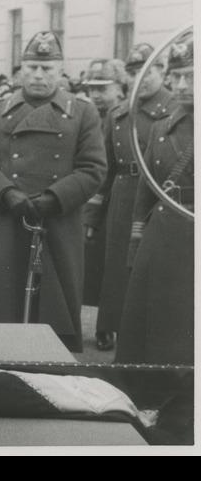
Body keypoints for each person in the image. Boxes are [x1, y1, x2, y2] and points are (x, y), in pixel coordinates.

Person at [0, 31, 107, 352]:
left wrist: (55, 198)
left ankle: (54, 363)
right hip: (7, 219)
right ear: (20, 70)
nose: (39, 75)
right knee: (6, 298)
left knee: (56, 301)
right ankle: (1, 361)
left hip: (57, 219)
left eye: (47, 68)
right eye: (31, 67)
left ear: (61, 71)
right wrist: (7, 194)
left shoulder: (83, 112)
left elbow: (93, 168)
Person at [89, 44, 178, 351]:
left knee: (152, 261)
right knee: (116, 264)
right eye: (132, 71)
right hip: (124, 193)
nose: (139, 77)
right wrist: (94, 214)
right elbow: (105, 168)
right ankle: (108, 325)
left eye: (147, 70)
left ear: (162, 72)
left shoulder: (177, 108)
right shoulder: (118, 113)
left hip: (161, 193)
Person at [117, 31, 193, 366]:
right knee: (156, 326)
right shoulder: (162, 127)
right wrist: (137, 243)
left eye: (190, 77)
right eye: (176, 76)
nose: (180, 85)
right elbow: (146, 190)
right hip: (162, 238)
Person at [80, 59, 128, 312]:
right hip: (88, 200)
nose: (96, 95)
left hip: (114, 200)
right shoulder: (86, 115)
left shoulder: (124, 115)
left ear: (120, 87)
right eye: (92, 89)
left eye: (102, 88)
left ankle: (106, 324)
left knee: (111, 264)